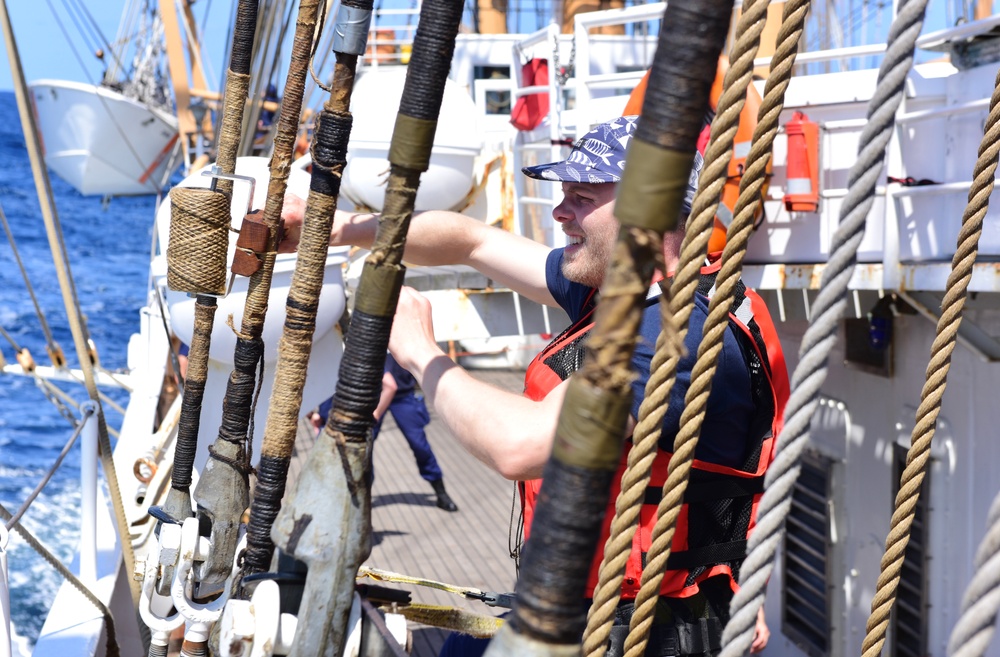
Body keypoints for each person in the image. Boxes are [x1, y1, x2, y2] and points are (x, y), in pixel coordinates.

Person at [279, 115, 784, 656]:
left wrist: (417, 351)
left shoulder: (674, 340)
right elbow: (471, 242)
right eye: (561, 194)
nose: (560, 212)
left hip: (636, 632)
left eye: (583, 196)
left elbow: (522, 445)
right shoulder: (630, 286)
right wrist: (342, 229)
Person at [311, 354, 459, 512]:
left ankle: (440, 492)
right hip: (375, 397)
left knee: (419, 444)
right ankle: (360, 502)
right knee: (362, 450)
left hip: (403, 396)